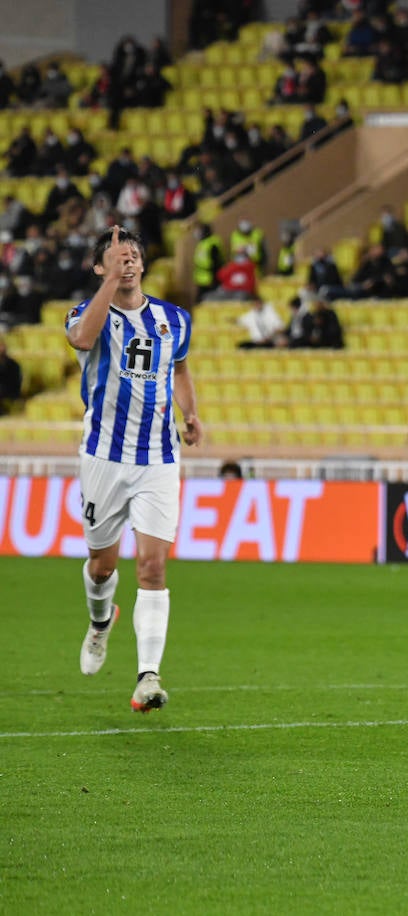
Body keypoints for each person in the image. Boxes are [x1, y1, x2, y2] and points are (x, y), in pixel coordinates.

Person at [66, 225, 202, 713]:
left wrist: (191, 412)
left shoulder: (174, 320)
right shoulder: (85, 314)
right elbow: (83, 340)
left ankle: (148, 676)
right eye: (116, 257)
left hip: (159, 459)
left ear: (143, 264)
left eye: (133, 256)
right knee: (102, 566)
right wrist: (110, 282)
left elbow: (179, 368)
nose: (127, 262)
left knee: (152, 565)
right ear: (99, 267)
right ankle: (101, 622)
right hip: (103, 457)